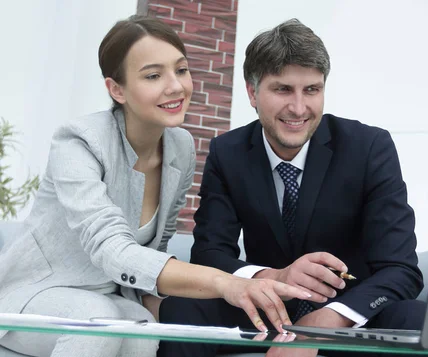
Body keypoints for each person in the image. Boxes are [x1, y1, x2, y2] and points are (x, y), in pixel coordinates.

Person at [0, 15, 309, 357]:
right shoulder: (78, 142)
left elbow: (152, 253)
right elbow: (113, 249)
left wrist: (173, 309)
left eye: (181, 70)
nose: (175, 86)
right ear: (117, 89)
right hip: (33, 297)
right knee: (97, 320)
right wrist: (227, 283)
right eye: (153, 75)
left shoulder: (181, 147)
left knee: (144, 330)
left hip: (111, 297)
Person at [158, 18, 426, 357]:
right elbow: (209, 255)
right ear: (252, 92)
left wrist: (323, 325)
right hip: (264, 307)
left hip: (348, 316)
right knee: (181, 310)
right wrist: (275, 276)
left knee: (420, 319)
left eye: (311, 90)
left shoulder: (370, 147)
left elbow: (401, 269)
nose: (299, 108)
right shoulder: (228, 153)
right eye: (283, 89)